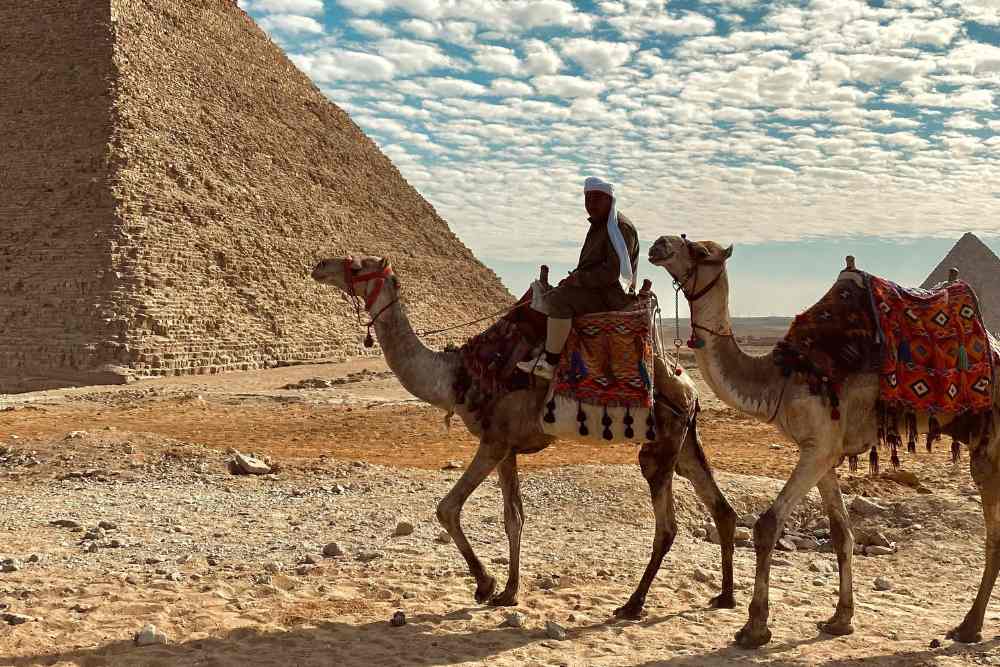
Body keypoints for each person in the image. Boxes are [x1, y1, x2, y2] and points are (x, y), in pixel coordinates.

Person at [517, 177, 640, 379]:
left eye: (596, 199)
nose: (590, 205)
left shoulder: (619, 228)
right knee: (548, 294)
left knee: (559, 300)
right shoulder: (601, 225)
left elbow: (613, 273)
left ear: (609, 200)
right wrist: (575, 278)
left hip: (612, 295)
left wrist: (578, 280)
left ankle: (550, 362)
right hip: (596, 289)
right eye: (587, 199)